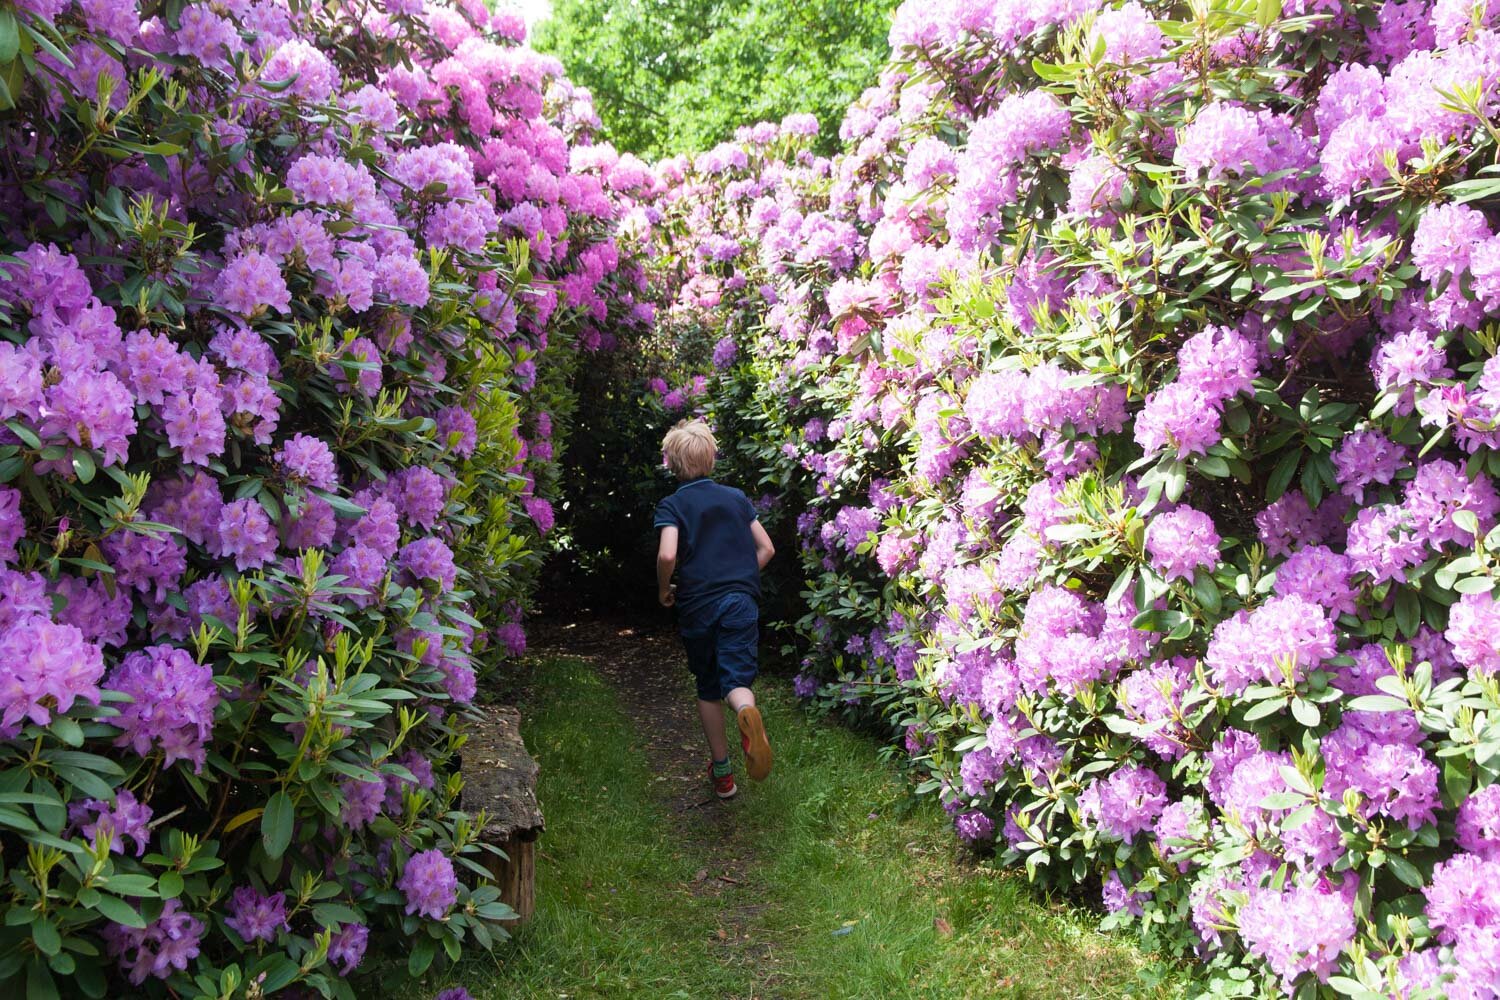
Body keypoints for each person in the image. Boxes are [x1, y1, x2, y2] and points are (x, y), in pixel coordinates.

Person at [653, 418, 775, 799]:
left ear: (671, 463)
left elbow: (668, 552)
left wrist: (663, 589)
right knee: (736, 680)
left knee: (708, 687)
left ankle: (723, 774)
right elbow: (767, 548)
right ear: (711, 459)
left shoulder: (673, 504)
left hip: (698, 604)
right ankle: (745, 712)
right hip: (740, 600)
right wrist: (740, 576)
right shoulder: (737, 498)